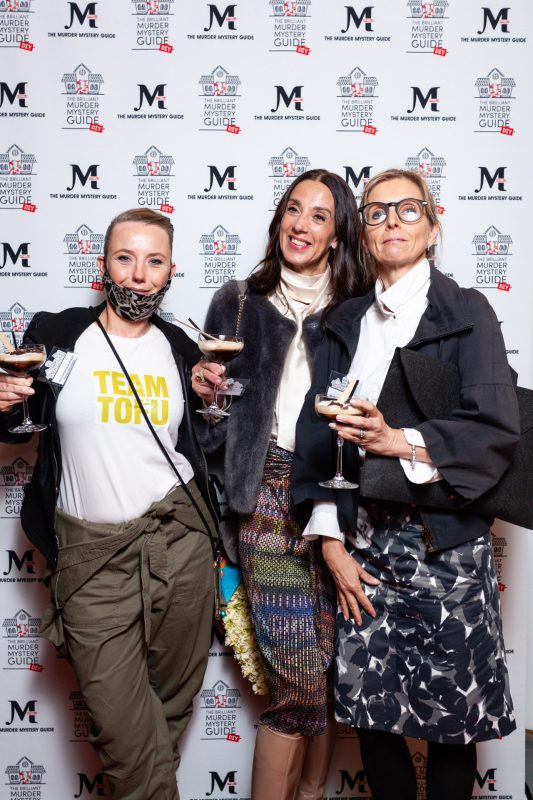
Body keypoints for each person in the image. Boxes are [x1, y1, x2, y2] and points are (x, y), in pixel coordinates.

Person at [291, 168, 520, 800]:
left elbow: (496, 426)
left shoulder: (467, 311)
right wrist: (331, 543)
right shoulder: (343, 321)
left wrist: (402, 441)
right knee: (372, 710)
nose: (392, 220)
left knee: (452, 722)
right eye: (376, 211)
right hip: (364, 548)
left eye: (408, 209)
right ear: (363, 234)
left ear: (433, 226)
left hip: (445, 545)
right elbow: (318, 437)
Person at [0, 208, 218, 800]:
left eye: (154, 261)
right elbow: (18, 424)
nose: (139, 274)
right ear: (102, 266)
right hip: (90, 558)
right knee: (124, 735)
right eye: (125, 258)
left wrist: (212, 401)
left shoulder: (181, 346)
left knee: (168, 712)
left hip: (181, 546)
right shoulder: (58, 333)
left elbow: (204, 440)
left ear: (171, 271)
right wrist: (4, 402)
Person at [192, 169, 373, 800]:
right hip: (266, 496)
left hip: (344, 501)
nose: (301, 225)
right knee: (296, 678)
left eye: (319, 216)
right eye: (293, 210)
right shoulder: (238, 301)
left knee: (326, 670)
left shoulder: (360, 310)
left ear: (337, 233)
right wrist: (205, 398)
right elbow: (210, 435)